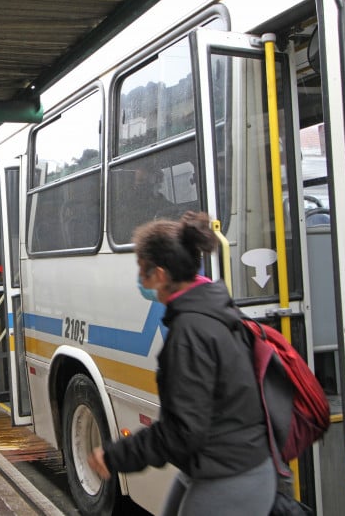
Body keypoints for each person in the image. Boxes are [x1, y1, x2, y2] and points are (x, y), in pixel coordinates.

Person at [87, 211, 276, 516]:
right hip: (223, 463)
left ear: (161, 275)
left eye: (142, 271)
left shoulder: (190, 332)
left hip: (230, 474)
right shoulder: (213, 309)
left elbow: (181, 432)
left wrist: (114, 456)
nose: (140, 280)